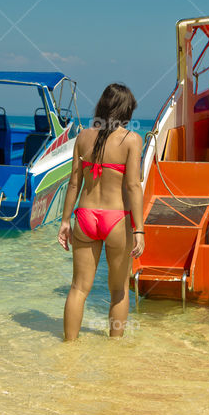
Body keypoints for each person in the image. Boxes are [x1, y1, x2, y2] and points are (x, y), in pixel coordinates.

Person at [57, 84, 145, 340]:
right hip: (117, 218)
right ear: (126, 109)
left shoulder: (83, 137)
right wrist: (139, 229)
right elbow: (133, 186)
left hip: (84, 216)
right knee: (118, 290)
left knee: (78, 288)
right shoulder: (131, 140)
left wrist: (64, 221)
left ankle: (68, 348)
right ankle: (114, 351)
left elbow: (74, 183)